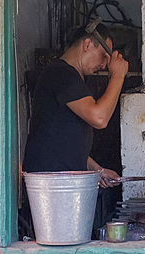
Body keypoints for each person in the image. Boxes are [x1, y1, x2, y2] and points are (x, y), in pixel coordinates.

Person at [23, 22, 128, 187]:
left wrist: (97, 170)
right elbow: (99, 118)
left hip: (60, 181)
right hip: (50, 184)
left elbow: (66, 143)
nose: (104, 65)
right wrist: (118, 76)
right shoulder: (61, 73)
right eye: (104, 55)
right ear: (87, 44)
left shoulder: (70, 77)